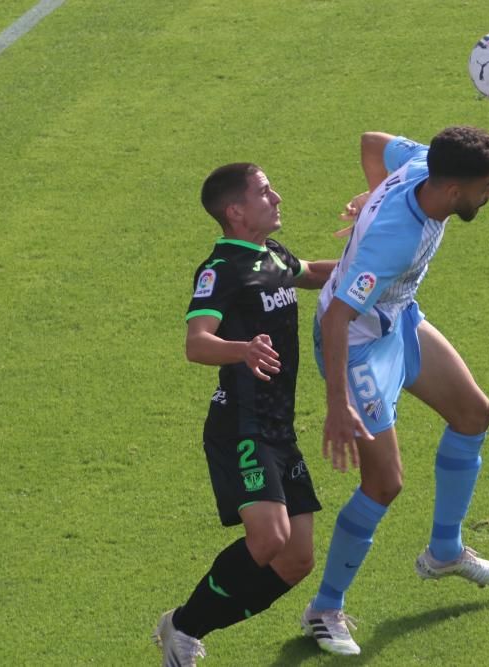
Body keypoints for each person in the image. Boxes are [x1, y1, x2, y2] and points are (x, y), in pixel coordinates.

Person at [300, 127, 489, 656]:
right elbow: (338, 318)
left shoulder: (422, 164)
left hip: (397, 319)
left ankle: (444, 550)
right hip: (358, 346)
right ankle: (324, 609)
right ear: (455, 190)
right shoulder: (395, 240)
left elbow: (371, 140)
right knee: (384, 483)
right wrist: (337, 403)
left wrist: (372, 191)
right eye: (486, 185)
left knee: (473, 413)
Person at [153, 163, 336, 666]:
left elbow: (313, 274)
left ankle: (182, 623)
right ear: (235, 211)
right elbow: (197, 343)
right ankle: (185, 630)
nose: (276, 196)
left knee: (297, 560)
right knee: (269, 537)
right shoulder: (222, 269)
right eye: (264, 191)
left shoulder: (271, 253)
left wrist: (375, 256)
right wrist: (241, 350)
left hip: (279, 428)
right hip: (241, 426)